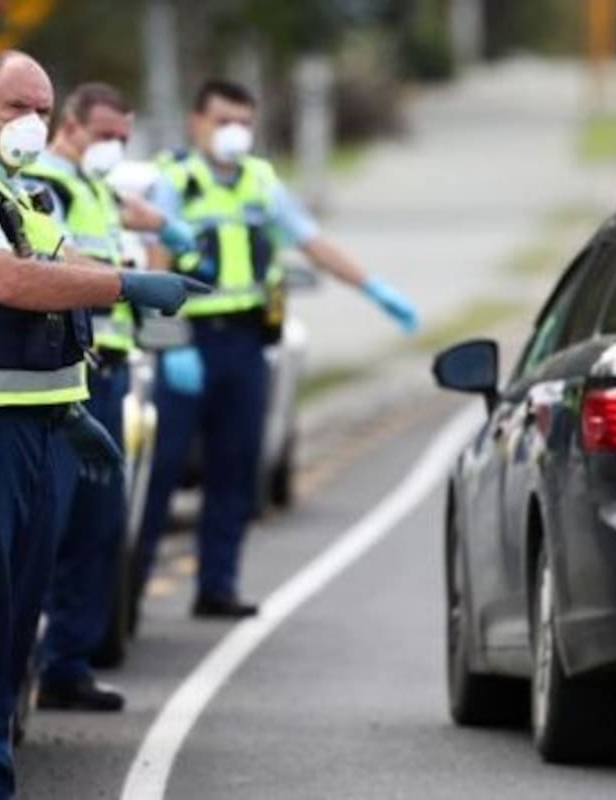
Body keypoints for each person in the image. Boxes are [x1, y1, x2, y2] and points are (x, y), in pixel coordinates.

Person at [0, 51, 205, 797]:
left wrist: (69, 406)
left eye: (38, 109)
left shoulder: (18, 198)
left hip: (30, 433)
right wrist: (127, 283)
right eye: (14, 106)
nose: (27, 121)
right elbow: (10, 280)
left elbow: (65, 266)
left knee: (10, 636)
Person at [137, 78, 421, 620]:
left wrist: (375, 290)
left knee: (237, 468)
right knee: (161, 472)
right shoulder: (175, 183)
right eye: (223, 121)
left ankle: (217, 585)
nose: (234, 133)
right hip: (189, 347)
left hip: (246, 344)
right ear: (197, 122)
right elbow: (155, 267)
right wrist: (168, 344)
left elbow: (313, 243)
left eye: (243, 122)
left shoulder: (260, 183)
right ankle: (129, 592)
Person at [18, 82, 196, 712]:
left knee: (98, 525)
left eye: (124, 136)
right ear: (70, 127)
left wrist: (171, 230)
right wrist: (130, 283)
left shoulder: (95, 190)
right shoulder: (49, 189)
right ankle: (25, 664)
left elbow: (139, 222)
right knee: (55, 525)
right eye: (106, 135)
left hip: (114, 371)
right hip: (75, 373)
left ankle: (67, 663)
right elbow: (54, 273)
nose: (115, 146)